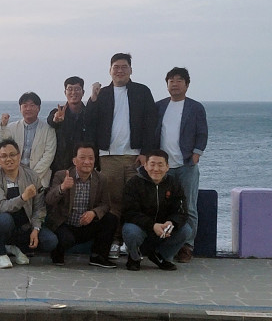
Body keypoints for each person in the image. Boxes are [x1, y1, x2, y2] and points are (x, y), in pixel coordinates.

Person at [86, 53, 157, 259]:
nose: (120, 70)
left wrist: (145, 153)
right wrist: (92, 98)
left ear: (131, 70)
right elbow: (89, 122)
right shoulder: (102, 94)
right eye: (116, 67)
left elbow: (151, 123)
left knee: (136, 201)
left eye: (124, 67)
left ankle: (135, 242)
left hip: (135, 157)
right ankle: (115, 241)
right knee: (113, 201)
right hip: (108, 156)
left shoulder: (142, 92)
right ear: (110, 70)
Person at [155, 67, 208, 263]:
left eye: (179, 80)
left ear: (187, 85)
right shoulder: (159, 106)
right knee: (163, 207)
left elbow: (202, 133)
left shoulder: (195, 108)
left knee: (189, 207)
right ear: (167, 84)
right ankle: (165, 244)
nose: (175, 84)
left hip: (186, 165)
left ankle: (187, 246)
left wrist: (196, 153)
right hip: (163, 168)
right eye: (171, 80)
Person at [45, 143, 118, 268]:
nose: (87, 162)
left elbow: (106, 205)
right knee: (66, 239)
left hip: (86, 224)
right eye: (82, 158)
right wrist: (62, 188)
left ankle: (98, 257)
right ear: (74, 160)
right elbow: (49, 200)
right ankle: (57, 252)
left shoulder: (101, 179)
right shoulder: (62, 175)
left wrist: (94, 213)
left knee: (111, 219)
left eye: (91, 158)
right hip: (65, 224)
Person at [0, 139, 58, 269]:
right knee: (4, 219)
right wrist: (23, 197)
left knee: (50, 241)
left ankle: (16, 248)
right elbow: (2, 206)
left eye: (12, 155)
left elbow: (39, 207)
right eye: (4, 156)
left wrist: (36, 229)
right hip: (4, 223)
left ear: (19, 156)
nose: (9, 159)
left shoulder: (32, 176)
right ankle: (0, 252)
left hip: (26, 225)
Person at [122, 150, 190, 271]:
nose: (156, 169)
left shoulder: (174, 183)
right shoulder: (134, 183)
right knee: (130, 230)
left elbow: (182, 211)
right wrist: (152, 225)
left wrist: (171, 222)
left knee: (186, 230)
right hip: (141, 228)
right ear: (145, 165)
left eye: (160, 165)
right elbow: (129, 212)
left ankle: (161, 256)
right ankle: (134, 257)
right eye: (152, 164)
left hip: (164, 229)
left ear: (167, 167)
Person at [0, 92, 56, 188]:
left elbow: (48, 156)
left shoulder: (48, 130)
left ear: (39, 108)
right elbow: (1, 146)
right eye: (25, 106)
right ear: (20, 108)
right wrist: (3, 126)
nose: (28, 109)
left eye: (32, 105)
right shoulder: (12, 127)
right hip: (14, 177)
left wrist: (31, 177)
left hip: (39, 179)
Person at [47, 76, 89, 177]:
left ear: (83, 92)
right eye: (70, 89)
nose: (73, 92)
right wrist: (56, 119)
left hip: (83, 166)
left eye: (77, 89)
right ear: (65, 92)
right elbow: (51, 120)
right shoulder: (58, 112)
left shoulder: (89, 114)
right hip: (60, 168)